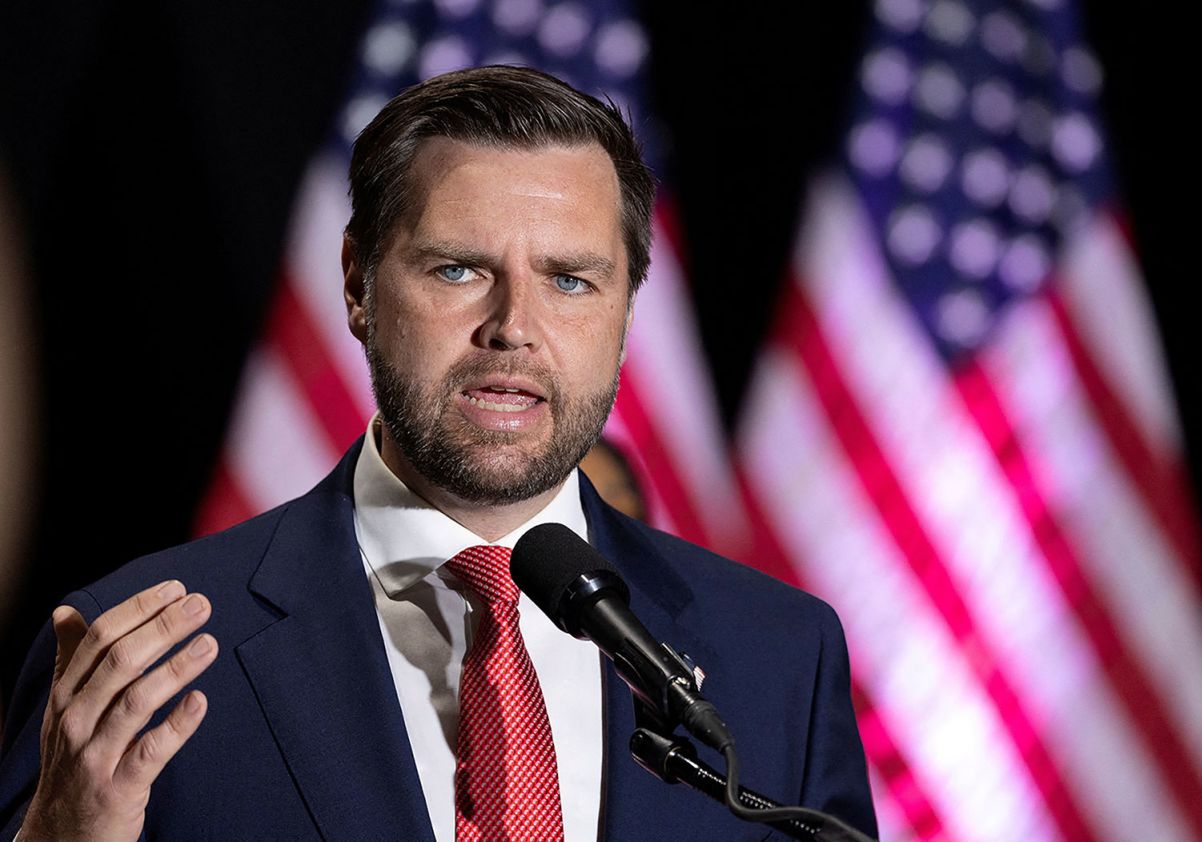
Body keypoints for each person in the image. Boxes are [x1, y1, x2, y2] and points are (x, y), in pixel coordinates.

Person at [0, 66, 877, 841]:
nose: (514, 329)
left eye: (570, 279)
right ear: (357, 285)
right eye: (458, 269)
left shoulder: (780, 659)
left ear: (625, 314)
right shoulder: (145, 652)